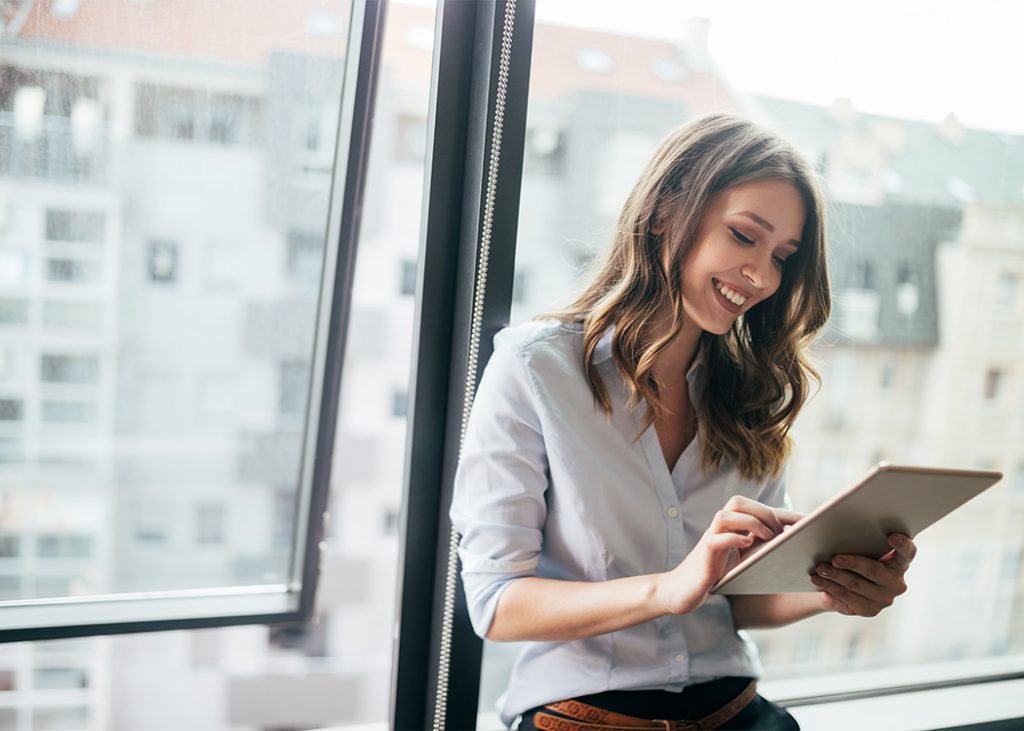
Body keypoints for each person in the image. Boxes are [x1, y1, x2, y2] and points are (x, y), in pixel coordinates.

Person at [449, 113, 917, 730]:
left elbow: (738, 600)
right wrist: (669, 587)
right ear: (668, 211)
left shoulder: (751, 392)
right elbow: (496, 603)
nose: (763, 276)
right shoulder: (535, 369)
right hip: (585, 713)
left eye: (782, 256)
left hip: (739, 711)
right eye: (745, 236)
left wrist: (835, 591)